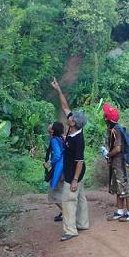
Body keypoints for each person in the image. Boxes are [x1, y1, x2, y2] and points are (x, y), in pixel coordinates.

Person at [51, 77, 89, 241]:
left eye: (71, 118)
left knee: (68, 200)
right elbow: (65, 106)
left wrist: (73, 180)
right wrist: (59, 89)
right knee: (80, 199)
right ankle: (82, 223)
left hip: (74, 172)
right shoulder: (73, 130)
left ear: (74, 123)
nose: (69, 116)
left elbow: (79, 161)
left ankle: (71, 230)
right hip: (74, 171)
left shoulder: (77, 140)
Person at [102, 103, 129, 222]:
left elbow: (118, 148)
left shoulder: (115, 131)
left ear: (107, 118)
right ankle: (120, 212)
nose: (103, 115)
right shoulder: (113, 129)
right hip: (117, 164)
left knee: (126, 188)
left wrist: (108, 154)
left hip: (122, 164)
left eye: (104, 114)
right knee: (118, 187)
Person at [44, 121, 65, 222]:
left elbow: (57, 155)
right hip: (64, 169)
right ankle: (65, 213)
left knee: (54, 194)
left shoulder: (54, 140)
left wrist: (50, 163)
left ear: (53, 130)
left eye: (51, 125)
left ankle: (67, 213)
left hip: (58, 170)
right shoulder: (62, 138)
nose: (50, 125)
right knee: (61, 192)